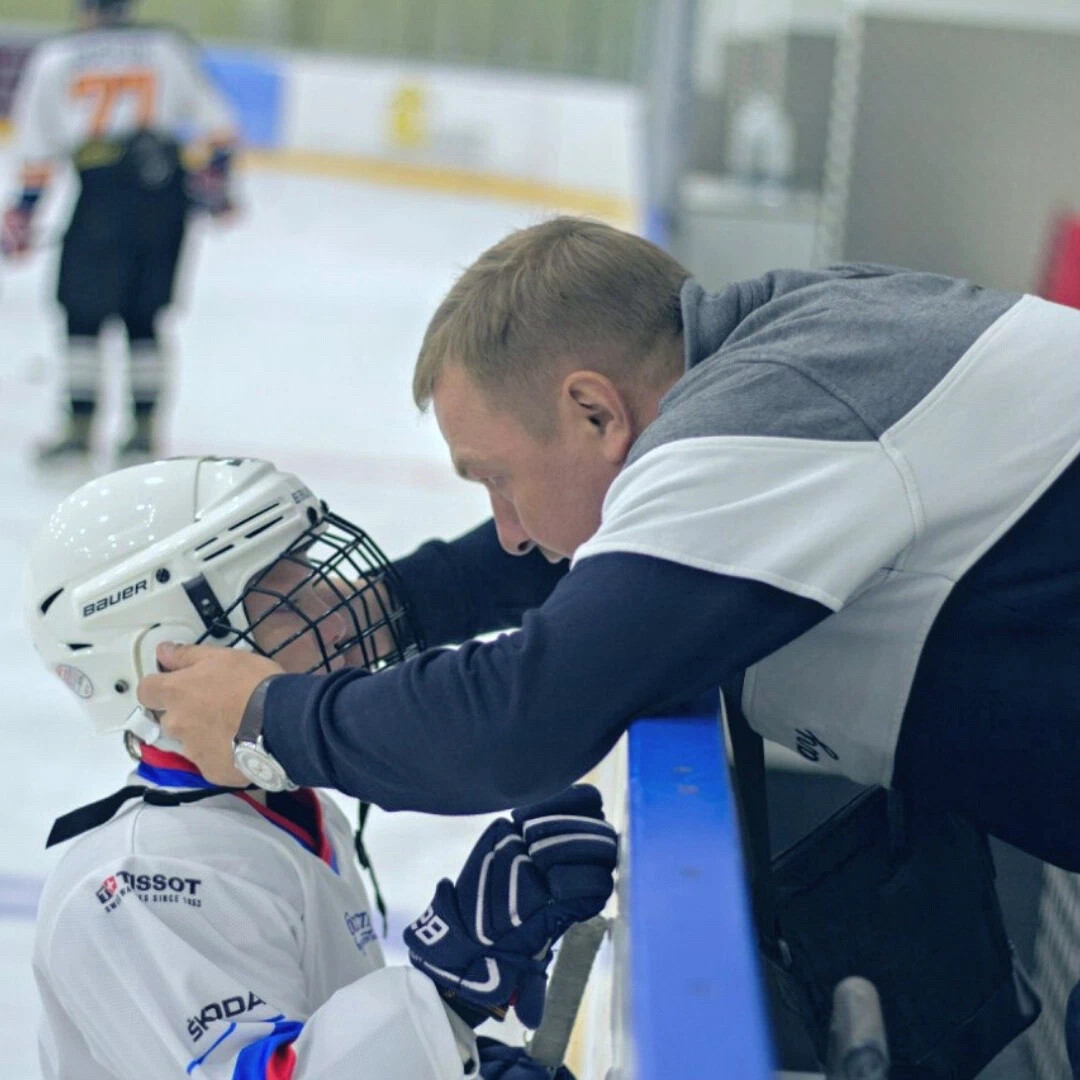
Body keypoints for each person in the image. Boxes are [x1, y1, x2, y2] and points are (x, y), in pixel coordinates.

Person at [137, 215, 1080, 875]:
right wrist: (391, 609)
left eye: (497, 478)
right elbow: (589, 552)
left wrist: (268, 720)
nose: (506, 526)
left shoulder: (772, 415)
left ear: (595, 410)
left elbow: (518, 720)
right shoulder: (793, 344)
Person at [25, 455, 616, 1079]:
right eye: (285, 601)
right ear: (168, 655)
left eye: (314, 578)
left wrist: (448, 1059)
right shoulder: (138, 884)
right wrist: (443, 996)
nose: (339, 617)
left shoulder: (284, 805)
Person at [1, 0, 237, 464]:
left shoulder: (56, 57)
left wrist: (23, 214)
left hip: (101, 197)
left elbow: (35, 151)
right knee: (145, 318)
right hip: (164, 196)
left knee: (82, 316)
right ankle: (144, 432)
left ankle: (79, 428)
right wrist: (217, 183)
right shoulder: (166, 45)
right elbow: (221, 131)